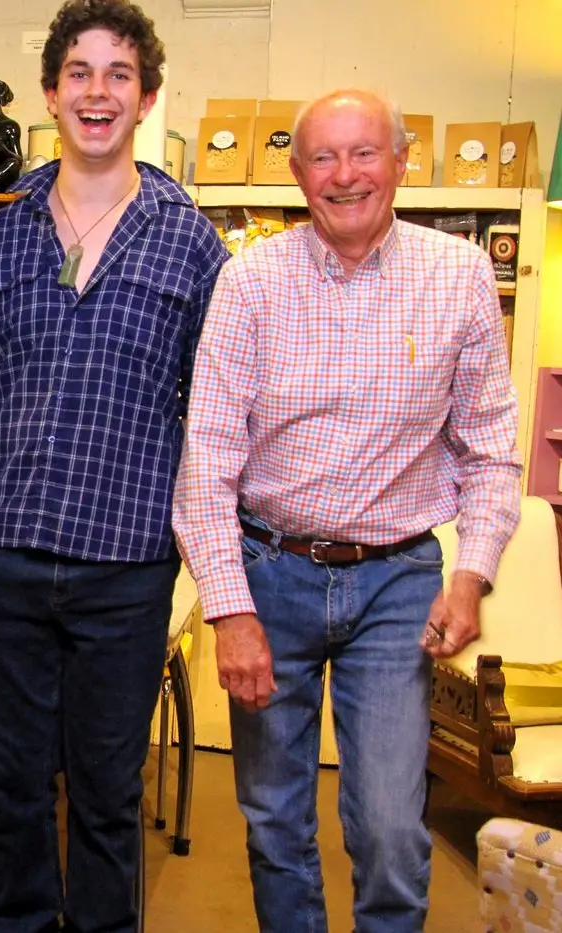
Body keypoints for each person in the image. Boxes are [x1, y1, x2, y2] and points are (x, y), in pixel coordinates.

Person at [172, 88, 521, 933]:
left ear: (401, 163)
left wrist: (471, 575)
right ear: (296, 175)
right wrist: (230, 610)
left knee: (393, 827)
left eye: (365, 153)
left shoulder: (459, 274)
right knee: (275, 818)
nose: (344, 175)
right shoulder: (250, 280)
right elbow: (207, 457)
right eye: (322, 157)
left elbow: (492, 448)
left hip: (398, 580)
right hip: (270, 571)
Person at [0, 2, 228, 931]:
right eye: (80, 72)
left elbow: (212, 410)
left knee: (110, 794)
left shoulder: (193, 243)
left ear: (145, 97)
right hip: (4, 552)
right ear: (50, 93)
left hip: (126, 561)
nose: (98, 91)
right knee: (13, 787)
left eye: (119, 74)